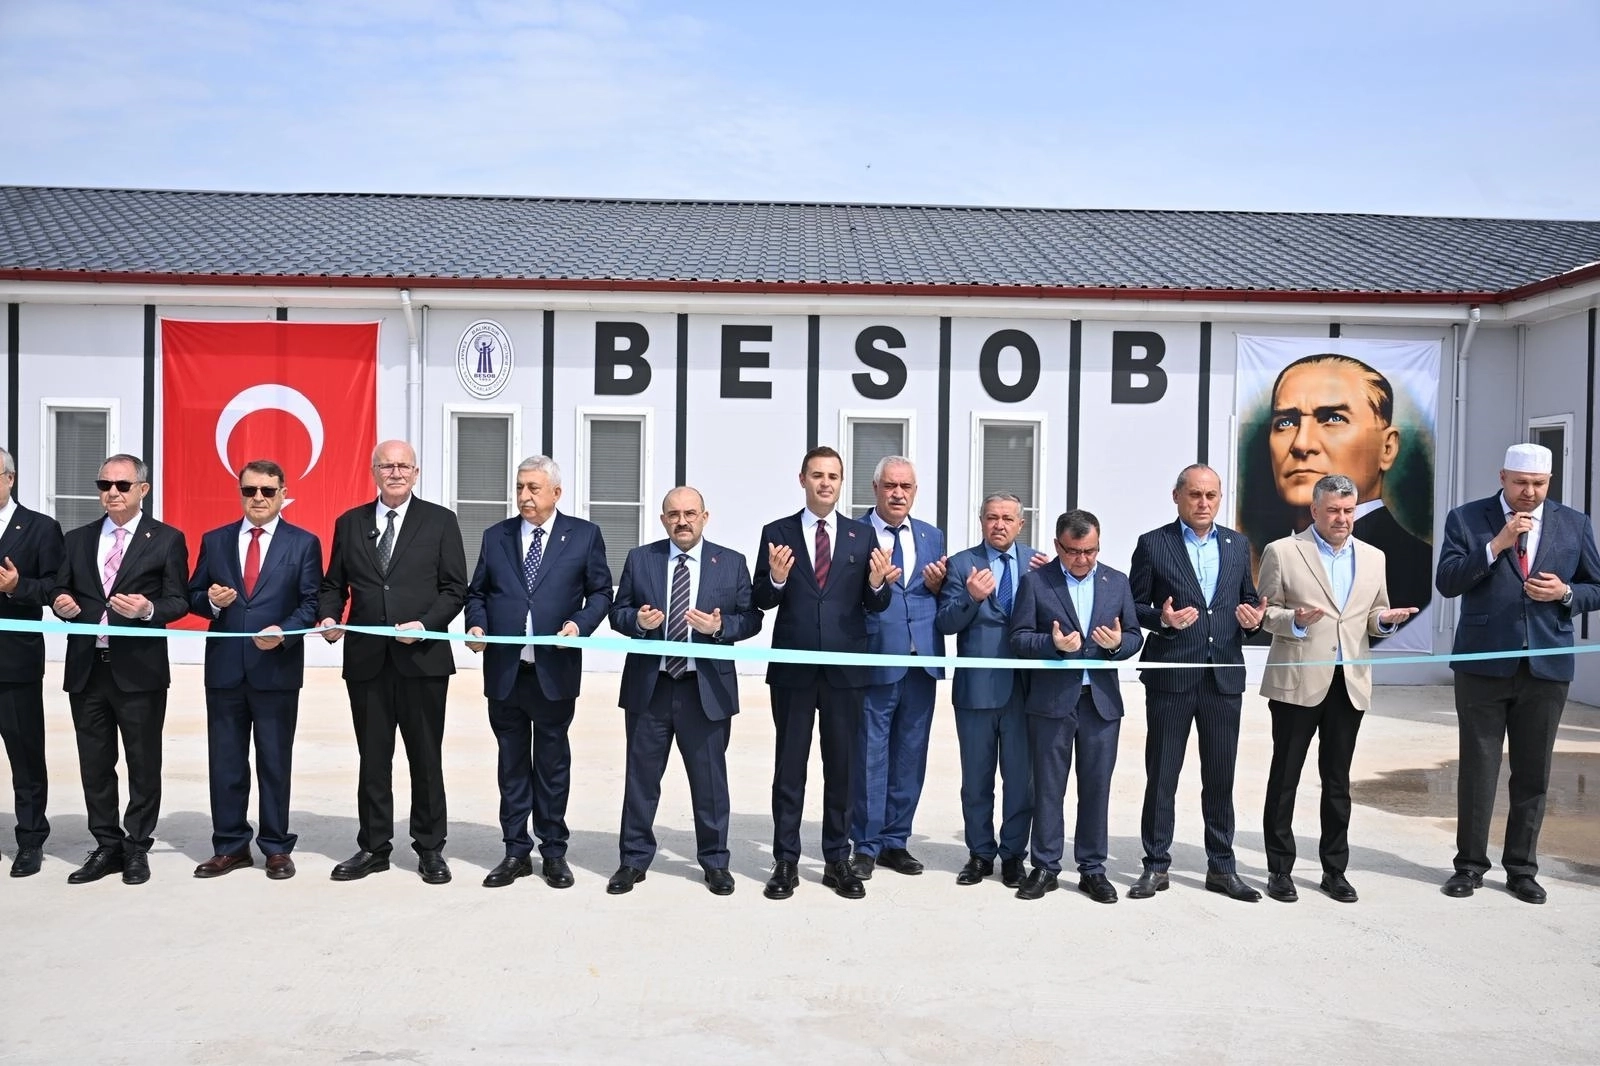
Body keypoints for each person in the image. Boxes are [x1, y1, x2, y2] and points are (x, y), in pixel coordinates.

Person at [1436, 442, 1600, 904]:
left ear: (1549, 482)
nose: (1529, 492)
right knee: (1478, 769)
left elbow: (1596, 586)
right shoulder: (1467, 519)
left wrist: (1566, 593)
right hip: (1482, 665)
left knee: (1533, 772)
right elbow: (1448, 582)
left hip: (1546, 667)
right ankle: (1469, 866)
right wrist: (1496, 546)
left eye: (1539, 484)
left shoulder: (1574, 523)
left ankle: (1522, 869)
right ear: (1503, 477)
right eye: (1521, 483)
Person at [1257, 474, 1417, 904]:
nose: (1342, 518)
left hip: (1349, 683)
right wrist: (1293, 620)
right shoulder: (1283, 551)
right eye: (1332, 511)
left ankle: (1334, 870)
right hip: (1297, 682)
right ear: (1315, 510)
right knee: (1285, 778)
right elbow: (1264, 614)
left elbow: (1373, 615)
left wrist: (1384, 621)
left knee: (1338, 782)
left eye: (1348, 511)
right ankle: (1279, 870)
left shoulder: (1373, 557)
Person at [318, 440, 467, 885]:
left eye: (404, 466)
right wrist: (328, 616)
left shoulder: (440, 521)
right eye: (387, 466)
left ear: (416, 473)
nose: (396, 473)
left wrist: (426, 625)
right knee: (373, 759)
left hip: (422, 661)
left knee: (426, 758)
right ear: (374, 472)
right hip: (367, 662)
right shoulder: (350, 523)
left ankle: (430, 847)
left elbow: (455, 589)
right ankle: (373, 846)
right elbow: (333, 584)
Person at [752, 446, 894, 900]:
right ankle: (785, 861)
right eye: (817, 475)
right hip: (793, 671)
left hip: (845, 672)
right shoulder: (777, 532)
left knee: (842, 769)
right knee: (789, 769)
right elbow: (761, 599)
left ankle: (837, 859)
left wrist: (877, 584)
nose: (825, 483)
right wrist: (776, 579)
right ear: (803, 479)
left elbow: (876, 603)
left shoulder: (860, 535)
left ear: (841, 482)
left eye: (833, 476)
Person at [465, 455, 612, 890]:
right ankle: (515, 852)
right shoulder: (496, 536)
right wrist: (477, 625)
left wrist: (579, 626)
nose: (525, 496)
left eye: (533, 488)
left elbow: (600, 593)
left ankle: (553, 852)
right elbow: (478, 593)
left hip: (554, 672)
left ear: (556, 493)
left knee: (551, 766)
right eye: (520, 487)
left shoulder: (584, 536)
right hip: (506, 672)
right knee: (511, 766)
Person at [605, 486, 762, 895]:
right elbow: (617, 612)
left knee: (710, 784)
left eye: (690, 513)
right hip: (651, 688)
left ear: (705, 517)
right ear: (663, 520)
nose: (682, 521)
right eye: (673, 514)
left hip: (704, 690)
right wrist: (638, 622)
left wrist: (721, 627)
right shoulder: (641, 559)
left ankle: (715, 862)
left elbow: (752, 618)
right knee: (641, 780)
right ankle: (633, 860)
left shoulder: (731, 562)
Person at [1127, 465, 1265, 902]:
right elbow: (1133, 606)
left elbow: (1246, 601)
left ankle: (1222, 867)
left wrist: (1253, 619)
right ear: (1177, 497)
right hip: (1171, 676)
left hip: (1223, 678)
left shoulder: (1237, 545)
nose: (1204, 503)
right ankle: (1155, 865)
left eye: (1211, 495)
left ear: (1220, 498)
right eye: (1195, 495)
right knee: (1162, 775)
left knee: (1220, 777)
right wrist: (1162, 619)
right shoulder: (1153, 544)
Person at [50, 453, 189, 885]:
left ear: (142, 490)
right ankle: (106, 845)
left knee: (143, 763)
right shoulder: (78, 539)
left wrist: (148, 610)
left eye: (122, 485)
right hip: (87, 669)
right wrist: (60, 603)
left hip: (139, 673)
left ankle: (137, 846)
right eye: (104, 484)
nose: (112, 492)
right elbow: (60, 587)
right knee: (95, 764)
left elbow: (179, 601)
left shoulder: (166, 539)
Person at [186, 459, 322, 880]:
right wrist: (212, 602)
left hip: (276, 670)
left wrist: (283, 632)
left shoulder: (304, 543)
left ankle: (276, 847)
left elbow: (311, 603)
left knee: (274, 762)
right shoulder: (216, 540)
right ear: (240, 493)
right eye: (250, 490)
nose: (258, 498)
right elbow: (193, 594)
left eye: (267, 490)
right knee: (226, 762)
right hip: (225, 671)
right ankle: (230, 846)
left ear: (283, 494)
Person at [1008, 509, 1142, 905]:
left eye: (1090, 551)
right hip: (1051, 703)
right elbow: (1018, 638)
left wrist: (1117, 645)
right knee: (1048, 788)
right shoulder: (1036, 582)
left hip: (1100, 705)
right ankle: (1045, 867)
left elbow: (1133, 635)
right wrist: (1052, 646)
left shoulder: (1116, 582)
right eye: (1073, 551)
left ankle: (1092, 869)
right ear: (1057, 546)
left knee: (1096, 788)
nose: (1083, 559)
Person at [1257, 353, 1433, 618]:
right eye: (1286, 422)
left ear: (1387, 447)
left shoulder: (1416, 564)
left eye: (1334, 418)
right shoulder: (1277, 552)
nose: (1302, 444)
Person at [934, 492, 1047, 888]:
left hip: (1025, 692)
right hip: (976, 692)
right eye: (992, 517)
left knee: (1020, 781)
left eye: (1007, 518)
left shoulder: (1039, 564)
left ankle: (1013, 855)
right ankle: (980, 853)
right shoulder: (961, 564)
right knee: (976, 779)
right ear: (981, 521)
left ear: (1021, 524)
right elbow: (945, 623)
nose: (999, 525)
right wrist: (971, 597)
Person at [849, 456, 946, 880]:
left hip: (921, 661)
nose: (898, 494)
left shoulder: (931, 535)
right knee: (870, 755)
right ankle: (865, 844)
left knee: (911, 754)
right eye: (890, 485)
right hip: (876, 657)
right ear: (875, 488)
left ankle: (896, 841)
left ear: (915, 491)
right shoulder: (854, 534)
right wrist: (872, 584)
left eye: (906, 486)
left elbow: (936, 594)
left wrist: (941, 585)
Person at [0, 448, 65, 877]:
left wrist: (17, 586)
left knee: (24, 755)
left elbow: (56, 588)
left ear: (10, 478)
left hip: (14, 663)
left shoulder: (40, 528)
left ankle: (30, 840)